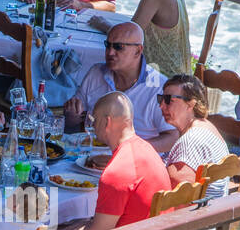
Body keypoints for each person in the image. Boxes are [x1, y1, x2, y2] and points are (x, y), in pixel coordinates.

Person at [56, 92, 170, 230]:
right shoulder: (147, 149)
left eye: (94, 120)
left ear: (106, 122)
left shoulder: (117, 171)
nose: (92, 126)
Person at [63, 22, 177, 150]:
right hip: (90, 156)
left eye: (118, 47)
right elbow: (73, 125)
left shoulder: (158, 87)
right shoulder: (95, 73)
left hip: (135, 162)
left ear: (138, 50)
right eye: (108, 45)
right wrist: (72, 117)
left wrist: (131, 150)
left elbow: (172, 137)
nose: (110, 52)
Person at [159, 75, 232, 199]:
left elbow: (177, 200)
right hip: (216, 208)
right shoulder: (207, 126)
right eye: (160, 99)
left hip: (200, 214)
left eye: (168, 100)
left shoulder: (189, 142)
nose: (161, 105)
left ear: (190, 104)